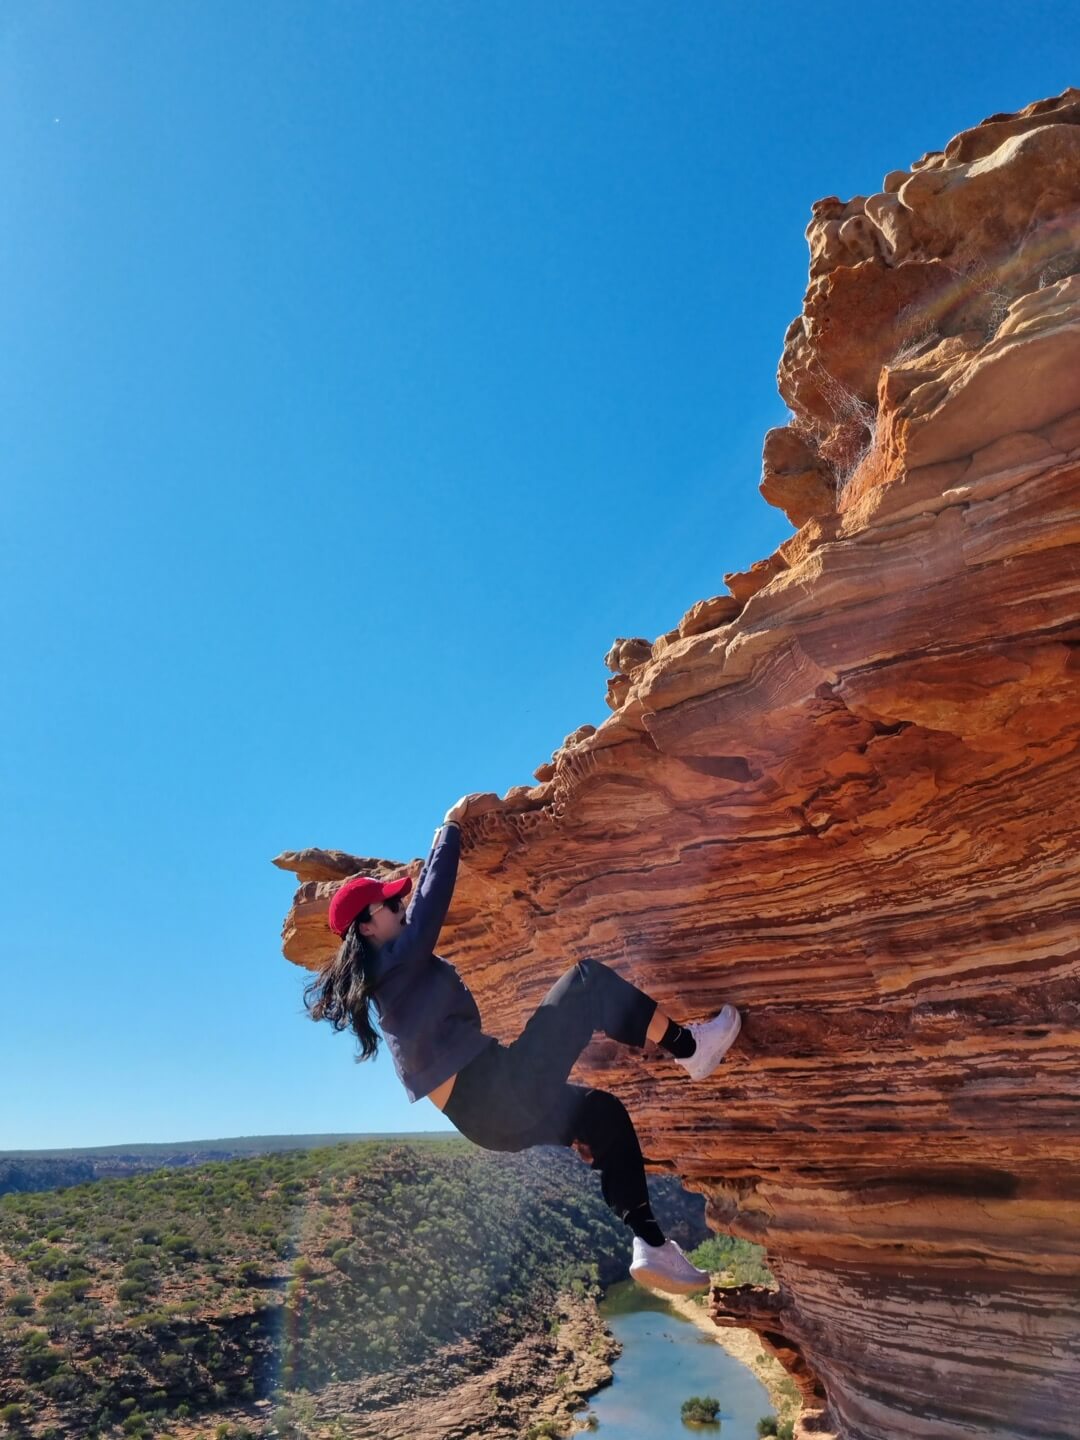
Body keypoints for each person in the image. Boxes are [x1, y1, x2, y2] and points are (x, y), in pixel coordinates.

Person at [304, 794, 743, 1296]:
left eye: (400, 901)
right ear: (366, 927)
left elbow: (417, 921)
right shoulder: (392, 963)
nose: (402, 908)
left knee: (601, 1115)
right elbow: (429, 908)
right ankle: (690, 1048)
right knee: (586, 983)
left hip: (488, 1120)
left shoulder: (386, 982)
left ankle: (652, 1246)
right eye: (391, 905)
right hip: (497, 1090)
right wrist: (449, 828)